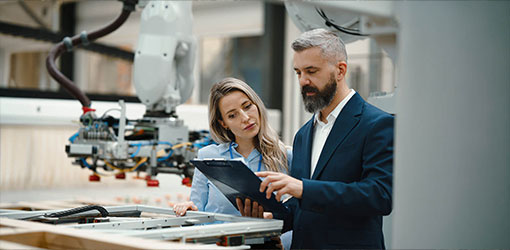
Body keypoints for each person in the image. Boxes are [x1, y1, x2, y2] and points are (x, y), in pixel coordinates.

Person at [238, 28, 394, 249]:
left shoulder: (376, 124)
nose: (303, 81)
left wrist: (302, 188)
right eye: (298, 72)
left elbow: (379, 195)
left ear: (340, 71)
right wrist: (270, 219)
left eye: (311, 71)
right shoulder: (303, 134)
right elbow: (305, 206)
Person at [173, 77, 293, 249]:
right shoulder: (208, 157)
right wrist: (188, 212)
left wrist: (283, 244)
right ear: (224, 123)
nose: (245, 118)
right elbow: (197, 216)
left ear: (257, 105)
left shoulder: (286, 157)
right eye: (232, 115)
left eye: (247, 106)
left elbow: (301, 219)